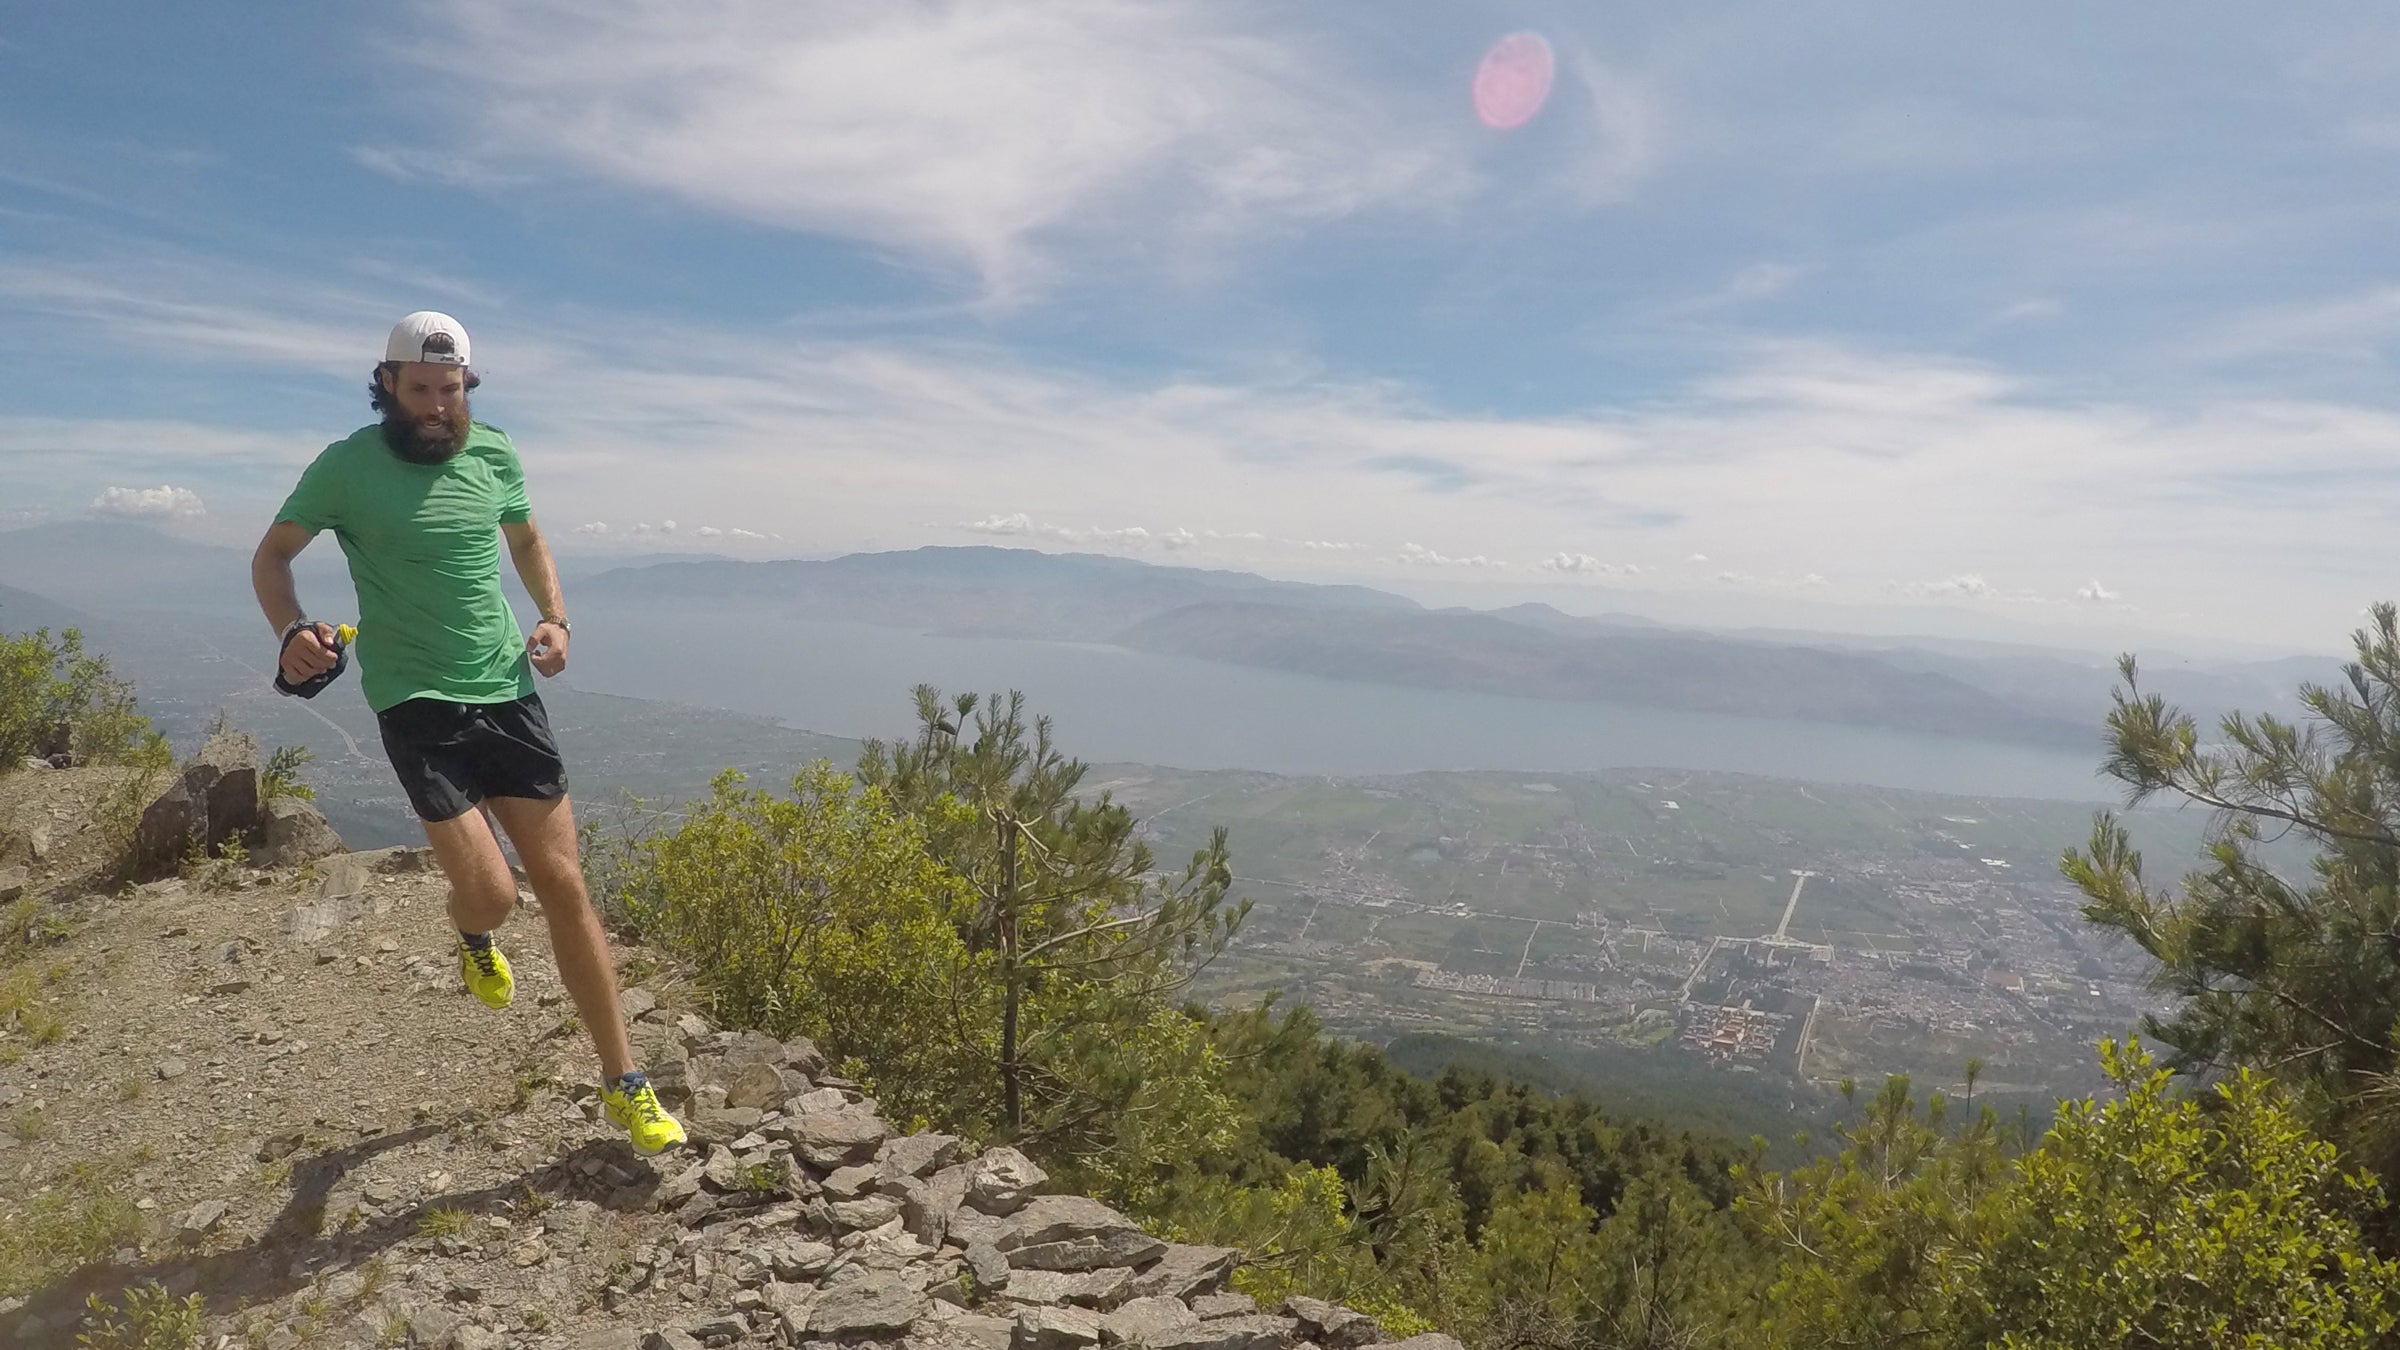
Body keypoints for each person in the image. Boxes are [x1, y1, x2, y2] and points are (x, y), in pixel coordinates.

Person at [251, 311, 686, 1155]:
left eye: (451, 391)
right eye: (420, 391)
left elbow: (525, 536)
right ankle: (473, 931)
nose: (438, 408)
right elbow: (272, 557)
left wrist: (555, 618)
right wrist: (291, 630)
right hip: (414, 701)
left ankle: (626, 1081)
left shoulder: (495, 452)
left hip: (507, 691)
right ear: (386, 385)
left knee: (564, 884)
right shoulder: (347, 465)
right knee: (492, 893)